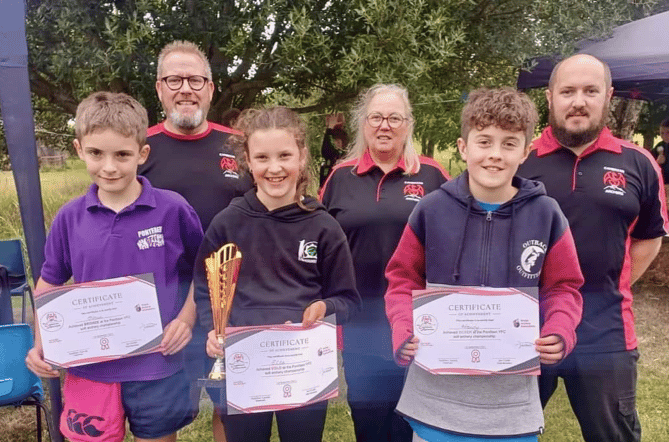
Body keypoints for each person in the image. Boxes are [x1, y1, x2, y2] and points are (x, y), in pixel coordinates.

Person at [384, 87, 584, 441]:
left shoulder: (546, 214)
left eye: (509, 144)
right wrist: (404, 326)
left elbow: (563, 286)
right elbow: (402, 279)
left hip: (510, 408)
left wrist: (560, 328)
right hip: (435, 402)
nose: (495, 155)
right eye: (484, 142)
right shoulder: (431, 210)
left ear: (525, 152)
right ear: (463, 148)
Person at [25, 91, 204, 442]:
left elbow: (203, 273)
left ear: (142, 153)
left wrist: (185, 319)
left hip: (158, 365)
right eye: (96, 153)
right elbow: (48, 284)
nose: (109, 166)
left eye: (122, 154)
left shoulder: (173, 210)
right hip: (89, 368)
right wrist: (42, 341)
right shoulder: (69, 217)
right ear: (79, 150)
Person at [517, 54, 669, 442]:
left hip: (607, 333)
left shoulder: (638, 163)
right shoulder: (521, 163)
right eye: (567, 91)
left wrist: (611, 283)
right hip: (525, 330)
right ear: (550, 97)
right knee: (505, 434)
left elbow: (649, 237)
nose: (578, 101)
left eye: (590, 91)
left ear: (608, 96)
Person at [193, 106, 362, 442]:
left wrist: (324, 308)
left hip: (303, 371)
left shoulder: (323, 226)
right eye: (263, 157)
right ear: (248, 161)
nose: (274, 168)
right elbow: (204, 290)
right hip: (245, 369)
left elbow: (348, 301)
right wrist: (211, 328)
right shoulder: (228, 223)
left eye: (284, 155)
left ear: (301, 157)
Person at [320, 83, 449, 442]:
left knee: (412, 424)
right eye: (376, 117)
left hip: (418, 325)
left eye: (394, 118)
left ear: (408, 124)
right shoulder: (341, 177)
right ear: (364, 124)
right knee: (369, 422)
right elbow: (319, 243)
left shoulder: (432, 175)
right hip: (360, 324)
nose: (385, 125)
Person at [138, 40, 253, 441]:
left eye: (195, 79)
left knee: (230, 406)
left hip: (232, 303)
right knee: (161, 415)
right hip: (162, 308)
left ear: (210, 87)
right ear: (159, 88)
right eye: (174, 79)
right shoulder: (138, 150)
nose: (185, 88)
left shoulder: (238, 145)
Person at [319, 113, 348, 187]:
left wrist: (329, 128)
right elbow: (326, 150)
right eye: (335, 141)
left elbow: (326, 150)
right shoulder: (331, 157)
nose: (336, 143)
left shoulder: (344, 156)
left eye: (338, 141)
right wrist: (329, 128)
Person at [651, 117, 669, 183]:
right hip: (662, 184)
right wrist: (657, 162)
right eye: (662, 133)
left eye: (668, 132)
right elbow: (649, 165)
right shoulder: (660, 146)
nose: (665, 136)